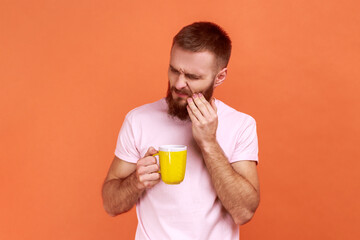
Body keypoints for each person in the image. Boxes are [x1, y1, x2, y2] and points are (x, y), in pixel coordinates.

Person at [102, 21, 260, 240]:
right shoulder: (138, 120)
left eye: (193, 77)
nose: (178, 84)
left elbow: (243, 212)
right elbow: (110, 204)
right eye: (174, 70)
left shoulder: (241, 125)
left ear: (220, 77)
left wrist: (209, 143)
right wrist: (135, 182)